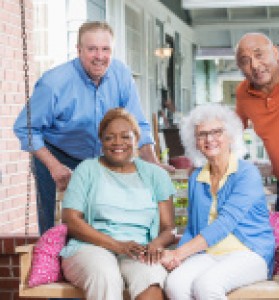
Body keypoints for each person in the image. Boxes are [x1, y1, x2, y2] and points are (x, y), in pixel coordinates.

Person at [14, 21, 172, 234]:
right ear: (79, 50)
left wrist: (152, 163)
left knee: (99, 221)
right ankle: (51, 265)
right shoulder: (54, 83)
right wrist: (54, 166)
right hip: (56, 155)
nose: (99, 56)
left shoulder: (121, 74)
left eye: (105, 49)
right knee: (54, 227)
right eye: (92, 49)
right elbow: (27, 128)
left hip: (98, 157)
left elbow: (138, 124)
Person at [60, 108, 175, 300]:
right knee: (104, 274)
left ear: (136, 139)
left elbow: (168, 228)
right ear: (101, 141)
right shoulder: (87, 169)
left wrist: (156, 244)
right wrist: (117, 246)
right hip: (91, 247)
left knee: (151, 277)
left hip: (139, 250)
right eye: (109, 137)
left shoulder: (156, 175)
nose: (117, 143)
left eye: (125, 136)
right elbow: (71, 220)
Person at [162, 104, 275, 300]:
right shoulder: (197, 177)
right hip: (209, 254)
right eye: (202, 134)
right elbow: (193, 228)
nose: (209, 139)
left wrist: (178, 253)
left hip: (249, 252)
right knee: (175, 284)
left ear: (230, 136)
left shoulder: (246, 174)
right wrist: (180, 257)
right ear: (195, 142)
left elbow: (225, 223)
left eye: (217, 132)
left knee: (207, 285)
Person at [235, 32, 279, 281]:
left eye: (259, 54)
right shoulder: (244, 94)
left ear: (274, 51)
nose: (254, 65)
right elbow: (231, 131)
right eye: (245, 60)